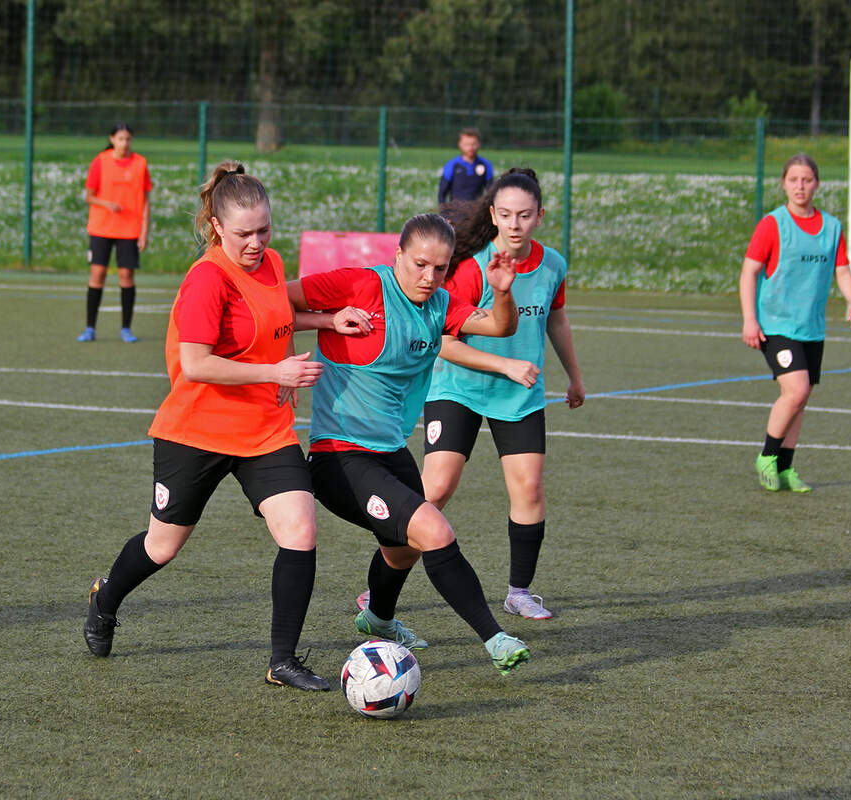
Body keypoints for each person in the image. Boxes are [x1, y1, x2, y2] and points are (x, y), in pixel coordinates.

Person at [83, 162, 361, 691]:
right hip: (197, 431)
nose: (256, 242)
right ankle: (106, 597)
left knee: (300, 529)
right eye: (243, 233)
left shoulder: (273, 264)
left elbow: (275, 317)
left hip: (265, 430)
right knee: (162, 546)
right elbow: (197, 362)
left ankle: (282, 661)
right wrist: (277, 370)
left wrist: (327, 319)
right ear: (215, 226)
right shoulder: (208, 278)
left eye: (264, 230)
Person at [288, 213, 533, 675]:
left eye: (440, 268)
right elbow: (272, 302)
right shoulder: (359, 285)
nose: (429, 277)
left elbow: (502, 328)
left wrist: (502, 291)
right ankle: (496, 639)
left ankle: (377, 617)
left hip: (390, 451)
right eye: (420, 264)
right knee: (434, 529)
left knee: (404, 548)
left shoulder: (440, 303)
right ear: (397, 254)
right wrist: (325, 320)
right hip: (338, 455)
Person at [357, 168, 584, 621]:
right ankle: (378, 590)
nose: (514, 224)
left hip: (518, 396)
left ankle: (519, 592)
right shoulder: (473, 267)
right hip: (457, 388)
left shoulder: (553, 264)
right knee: (434, 489)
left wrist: (574, 377)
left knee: (530, 489)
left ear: (540, 216)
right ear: (493, 215)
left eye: (524, 215)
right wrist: (506, 363)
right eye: (505, 214)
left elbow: (556, 319)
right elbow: (446, 340)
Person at [739, 153, 851, 492]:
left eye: (806, 180)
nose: (800, 186)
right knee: (797, 390)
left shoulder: (832, 227)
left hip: (812, 327)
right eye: (793, 180)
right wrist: (750, 319)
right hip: (776, 325)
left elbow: (841, 270)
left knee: (801, 397)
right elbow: (749, 272)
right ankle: (767, 456)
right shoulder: (772, 224)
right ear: (783, 183)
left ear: (817, 184)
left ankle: (785, 469)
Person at [78, 122, 152, 344]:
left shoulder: (140, 163)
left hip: (129, 230)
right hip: (101, 227)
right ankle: (90, 328)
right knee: (97, 274)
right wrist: (106, 204)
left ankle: (126, 329)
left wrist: (144, 230)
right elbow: (88, 196)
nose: (124, 143)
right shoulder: (100, 161)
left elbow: (146, 199)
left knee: (126, 276)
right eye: (120, 139)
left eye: (128, 139)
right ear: (112, 139)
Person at [437, 128, 493, 205]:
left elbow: (491, 193)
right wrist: (444, 214)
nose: (470, 148)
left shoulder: (486, 165)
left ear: (479, 144)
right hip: (455, 213)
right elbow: (442, 194)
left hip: (476, 213)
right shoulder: (452, 165)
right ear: (460, 144)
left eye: (474, 144)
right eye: (467, 144)